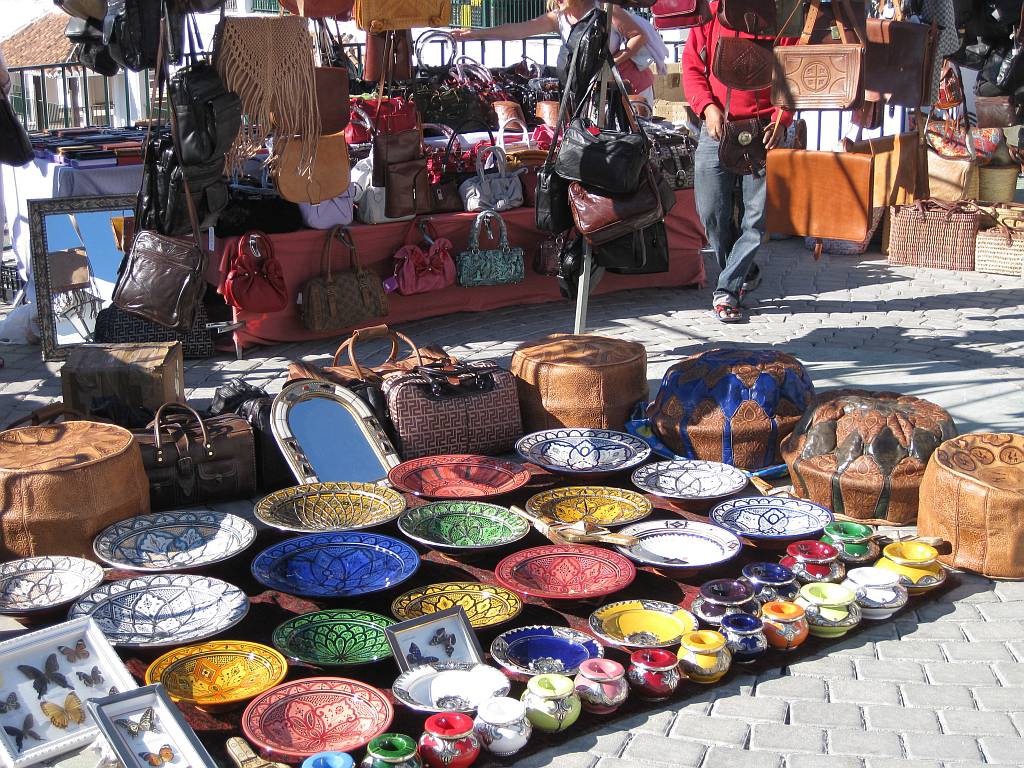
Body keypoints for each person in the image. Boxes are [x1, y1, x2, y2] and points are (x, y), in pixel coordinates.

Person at [682, 2, 792, 323]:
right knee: (710, 212)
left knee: (755, 219)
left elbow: (793, 75)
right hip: (716, 125)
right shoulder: (710, 12)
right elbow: (691, 66)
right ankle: (745, 268)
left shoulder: (782, 17)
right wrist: (707, 107)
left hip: (764, 129)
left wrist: (782, 120)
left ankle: (727, 290)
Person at [452, 0, 657, 104]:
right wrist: (475, 34)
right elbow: (519, 29)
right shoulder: (559, 18)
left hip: (628, 85)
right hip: (590, 87)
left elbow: (638, 36)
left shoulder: (605, 8)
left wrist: (612, 62)